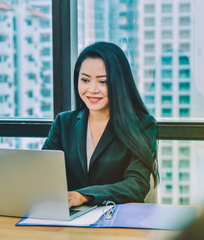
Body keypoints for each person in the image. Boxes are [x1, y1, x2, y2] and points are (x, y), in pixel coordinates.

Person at [42, 42, 158, 208]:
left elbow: (136, 185)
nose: (92, 89)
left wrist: (84, 196)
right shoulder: (63, 122)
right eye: (85, 80)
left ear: (119, 83)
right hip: (70, 220)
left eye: (103, 82)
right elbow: (43, 174)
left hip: (118, 222)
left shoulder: (143, 125)